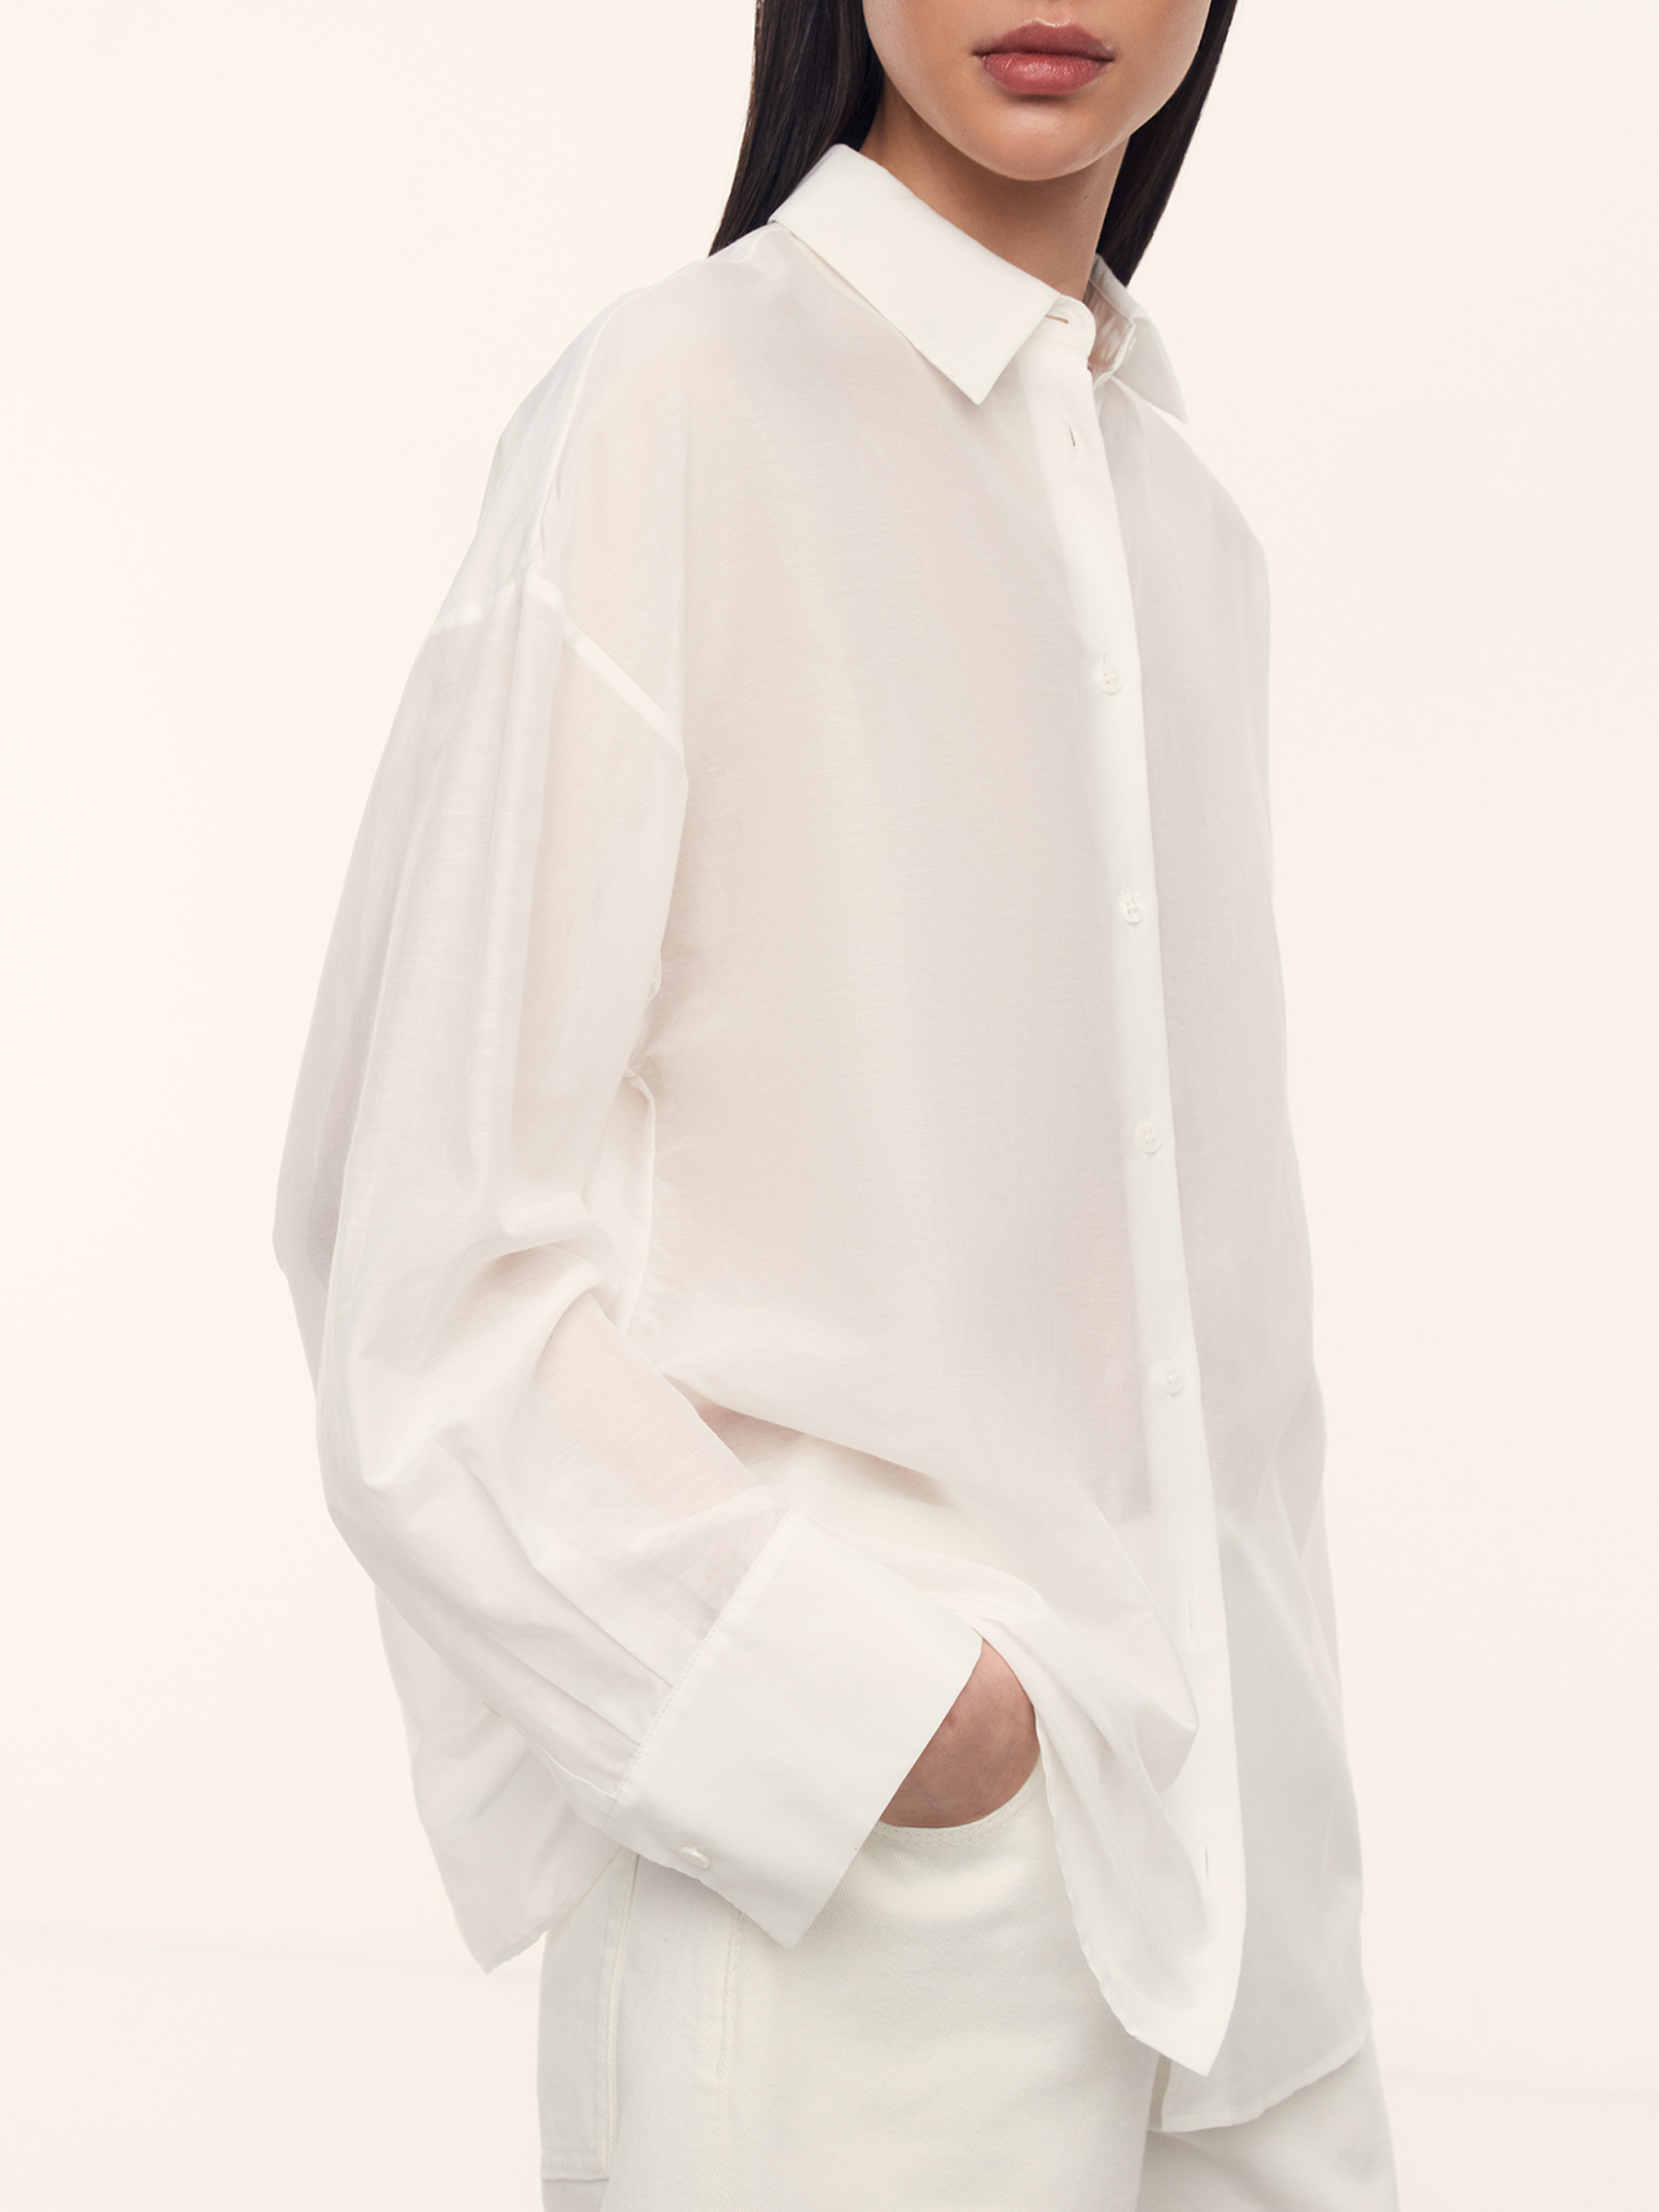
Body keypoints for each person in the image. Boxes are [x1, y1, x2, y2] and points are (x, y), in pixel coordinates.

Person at [276, 3, 1399, 2205]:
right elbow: (415, 1260)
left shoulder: (1189, 529)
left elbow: (1208, 1339)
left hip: (1250, 1931)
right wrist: (878, 1722)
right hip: (862, 1925)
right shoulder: (677, 409)